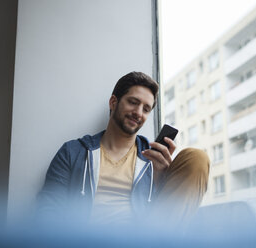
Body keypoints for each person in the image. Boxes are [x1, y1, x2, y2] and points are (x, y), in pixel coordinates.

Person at [37, 72, 209, 227]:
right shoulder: (73, 151)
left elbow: (164, 215)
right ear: (113, 102)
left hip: (142, 240)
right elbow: (48, 210)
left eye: (146, 109)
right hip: (86, 239)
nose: (138, 113)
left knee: (196, 157)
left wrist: (161, 182)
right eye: (133, 103)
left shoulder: (153, 160)